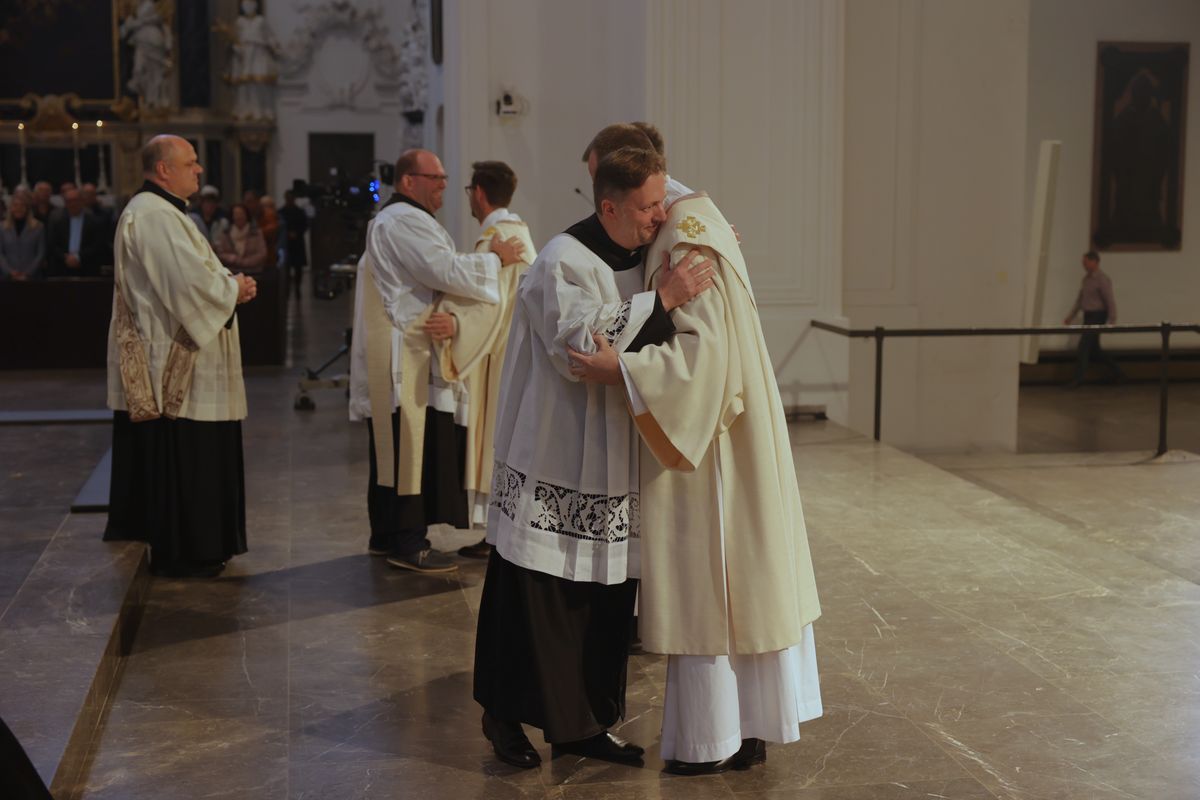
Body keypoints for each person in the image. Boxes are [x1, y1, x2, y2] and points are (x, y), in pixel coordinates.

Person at [472, 146, 714, 769]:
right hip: (555, 452)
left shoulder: (640, 247)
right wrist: (661, 301)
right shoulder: (561, 260)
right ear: (608, 206)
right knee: (536, 595)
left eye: (661, 202)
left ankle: (581, 725)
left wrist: (710, 236)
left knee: (604, 597)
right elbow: (580, 348)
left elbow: (684, 208)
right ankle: (504, 718)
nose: (658, 216)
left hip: (609, 455)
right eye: (647, 206)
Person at [569, 190, 823, 776]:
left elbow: (703, 355)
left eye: (637, 203)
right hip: (736, 432)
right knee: (742, 584)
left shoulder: (681, 237)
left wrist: (623, 370)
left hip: (709, 440)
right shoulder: (703, 222)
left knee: (710, 588)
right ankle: (751, 728)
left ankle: (715, 738)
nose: (642, 218)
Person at [349, 148, 526, 574]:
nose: (444, 185)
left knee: (393, 448)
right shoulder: (404, 220)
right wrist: (494, 260)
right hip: (407, 351)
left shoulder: (396, 219)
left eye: (448, 178)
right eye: (436, 177)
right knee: (410, 447)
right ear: (408, 181)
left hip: (404, 347)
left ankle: (386, 534)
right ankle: (409, 543)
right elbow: (443, 269)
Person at [103, 134, 258, 578]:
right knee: (188, 457)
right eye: (190, 162)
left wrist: (227, 285)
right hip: (175, 360)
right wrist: (235, 289)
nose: (200, 169)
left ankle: (205, 545)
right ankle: (189, 549)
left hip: (186, 354)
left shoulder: (165, 212)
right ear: (163, 170)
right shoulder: (153, 215)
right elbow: (187, 284)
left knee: (197, 454)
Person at [432, 161, 536, 560]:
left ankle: (497, 536)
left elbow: (487, 304)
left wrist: (456, 323)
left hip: (499, 356)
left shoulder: (497, 238)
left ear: (478, 192)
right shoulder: (520, 234)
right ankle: (501, 533)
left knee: (495, 441)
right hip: (517, 351)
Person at [1063, 251, 1124, 386]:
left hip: (1097, 316)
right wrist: (1071, 316)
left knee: (1083, 347)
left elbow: (1109, 300)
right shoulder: (1086, 279)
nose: (1084, 265)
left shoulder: (1102, 279)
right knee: (1095, 350)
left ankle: (1078, 379)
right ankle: (1118, 372)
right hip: (1088, 316)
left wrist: (1112, 319)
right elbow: (1080, 300)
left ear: (1094, 262)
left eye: (1085, 262)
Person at [47, 187, 108, 276]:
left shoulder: (94, 220)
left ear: (82, 201)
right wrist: (65, 258)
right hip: (61, 267)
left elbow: (97, 244)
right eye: (69, 201)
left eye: (75, 200)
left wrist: (78, 257)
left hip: (87, 267)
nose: (73, 204)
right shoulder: (57, 220)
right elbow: (52, 243)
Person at [0, 195, 46, 281]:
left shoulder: (38, 227)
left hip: (32, 277)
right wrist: (10, 272)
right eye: (15, 205)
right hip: (7, 278)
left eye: (22, 205)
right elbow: (0, 254)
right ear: (11, 208)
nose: (18, 208)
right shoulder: (2, 227)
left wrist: (28, 273)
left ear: (27, 208)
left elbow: (40, 253)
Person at [215, 203, 268, 272]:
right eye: (236, 214)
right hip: (231, 271)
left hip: (254, 271)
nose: (239, 216)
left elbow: (262, 253)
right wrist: (233, 258)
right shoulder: (225, 233)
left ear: (246, 215)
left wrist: (247, 262)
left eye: (241, 213)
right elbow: (220, 253)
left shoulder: (256, 233)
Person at [279, 189, 308, 296]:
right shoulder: (281, 212)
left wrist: (296, 233)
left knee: (298, 268)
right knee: (286, 268)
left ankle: (297, 288)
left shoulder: (300, 212)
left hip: (297, 242)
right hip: (286, 244)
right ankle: (286, 289)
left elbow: (304, 225)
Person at [259, 194, 280, 261]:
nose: (268, 210)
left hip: (272, 254)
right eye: (264, 206)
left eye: (270, 206)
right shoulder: (259, 218)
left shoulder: (275, 219)